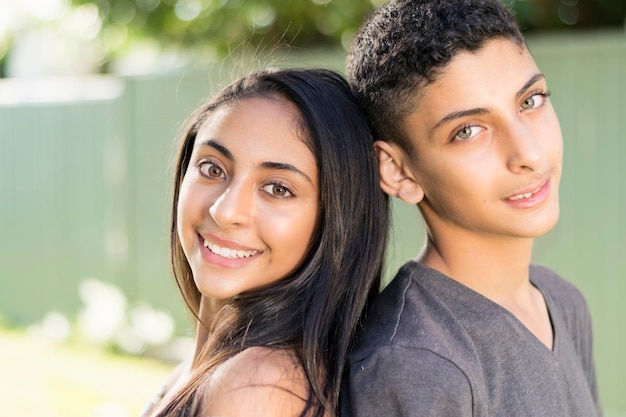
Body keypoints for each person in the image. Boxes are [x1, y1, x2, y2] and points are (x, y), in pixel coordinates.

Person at [341, 0, 602, 416]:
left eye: (530, 101)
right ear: (398, 171)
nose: (529, 154)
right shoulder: (414, 362)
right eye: (469, 130)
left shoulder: (563, 303)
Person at [141, 68, 389, 417]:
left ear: (336, 219)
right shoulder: (202, 372)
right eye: (213, 169)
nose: (225, 211)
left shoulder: (260, 387)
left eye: (277, 188)